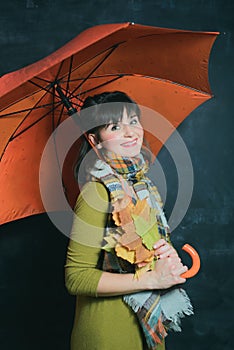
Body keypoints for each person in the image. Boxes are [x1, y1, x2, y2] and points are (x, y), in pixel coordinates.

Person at [65, 91, 193, 350]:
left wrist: (165, 255)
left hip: (150, 333)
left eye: (133, 121)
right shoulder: (96, 193)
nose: (130, 132)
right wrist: (150, 280)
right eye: (115, 126)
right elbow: (76, 277)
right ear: (94, 140)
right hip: (109, 335)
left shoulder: (144, 188)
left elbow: (146, 254)